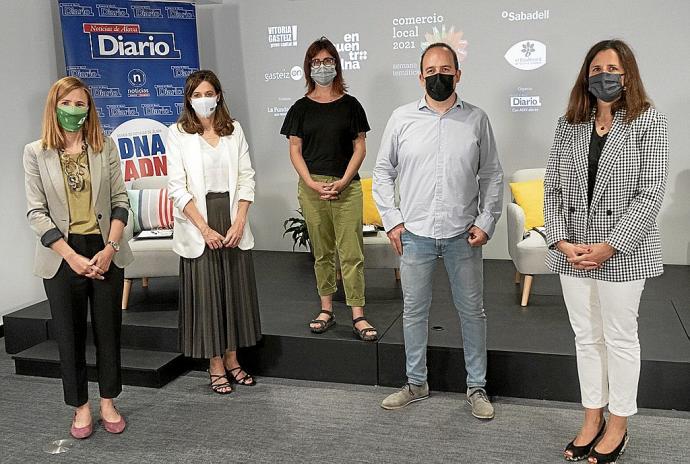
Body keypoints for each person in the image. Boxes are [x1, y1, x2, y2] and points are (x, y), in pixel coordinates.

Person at [544, 39, 668, 463]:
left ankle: (619, 423)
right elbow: (552, 188)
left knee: (619, 338)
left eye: (611, 68)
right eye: (595, 69)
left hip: (623, 251)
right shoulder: (568, 123)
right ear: (586, 76)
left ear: (627, 74)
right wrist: (559, 240)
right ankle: (591, 418)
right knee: (585, 338)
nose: (603, 76)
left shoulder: (648, 121)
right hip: (572, 251)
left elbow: (651, 193)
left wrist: (610, 246)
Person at [373, 43, 503, 418]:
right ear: (420, 77)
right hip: (415, 235)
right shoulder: (401, 119)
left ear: (458, 74)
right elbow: (383, 173)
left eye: (445, 69)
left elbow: (492, 174)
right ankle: (416, 383)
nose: (438, 76)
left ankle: (476, 388)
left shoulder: (477, 120)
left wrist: (486, 220)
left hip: (464, 234)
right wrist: (392, 219)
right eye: (430, 70)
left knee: (472, 312)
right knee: (414, 311)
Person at [23, 76, 133, 438]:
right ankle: (81, 408)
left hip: (105, 251)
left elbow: (121, 201)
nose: (74, 110)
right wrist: (70, 256)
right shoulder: (35, 152)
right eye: (67, 103)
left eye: (80, 104)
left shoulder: (106, 147)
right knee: (68, 336)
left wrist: (110, 248)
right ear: (55, 106)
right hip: (61, 256)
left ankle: (107, 402)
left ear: (90, 109)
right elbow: (36, 213)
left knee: (107, 332)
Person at [167, 70, 261, 394]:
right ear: (188, 100)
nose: (203, 99)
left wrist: (239, 221)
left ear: (218, 95)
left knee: (233, 292)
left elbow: (247, 178)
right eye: (197, 94)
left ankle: (233, 359)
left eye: (209, 93)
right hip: (198, 222)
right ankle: (215, 362)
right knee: (208, 296)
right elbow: (177, 188)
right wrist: (204, 228)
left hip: (232, 217)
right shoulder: (177, 133)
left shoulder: (234, 131)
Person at [280, 37, 377, 341]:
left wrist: (345, 180)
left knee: (351, 253)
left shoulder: (351, 105)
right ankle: (326, 309)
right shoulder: (299, 108)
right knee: (322, 253)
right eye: (316, 62)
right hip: (312, 188)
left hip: (347, 186)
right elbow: (295, 149)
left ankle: (358, 314)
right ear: (309, 68)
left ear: (337, 64)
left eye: (327, 61)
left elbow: (360, 147)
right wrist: (311, 182)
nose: (323, 67)